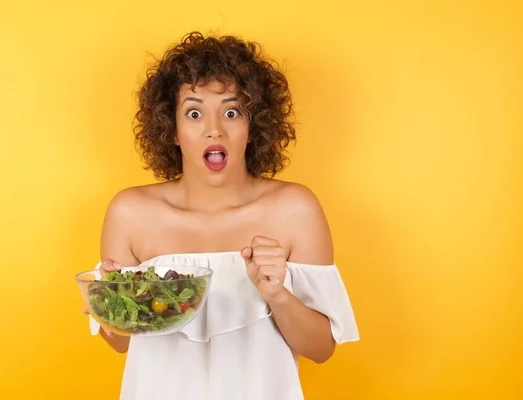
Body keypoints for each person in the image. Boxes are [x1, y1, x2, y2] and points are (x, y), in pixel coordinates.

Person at [83, 31, 359, 400]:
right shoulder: (130, 213)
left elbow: (321, 349)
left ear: (252, 126)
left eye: (232, 111)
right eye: (194, 113)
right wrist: (109, 307)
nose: (214, 129)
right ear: (173, 130)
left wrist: (277, 295)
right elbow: (122, 343)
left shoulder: (295, 210)